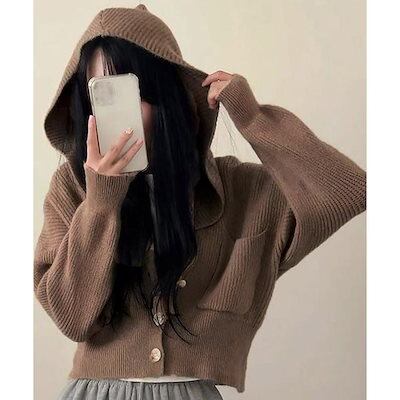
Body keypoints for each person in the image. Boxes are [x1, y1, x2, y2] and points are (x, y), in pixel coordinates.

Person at [34, 4, 366, 400]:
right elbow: (71, 318)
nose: (115, 117)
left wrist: (253, 118)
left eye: (127, 94)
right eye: (100, 97)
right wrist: (102, 203)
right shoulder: (72, 190)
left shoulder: (240, 189)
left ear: (165, 95)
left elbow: (347, 190)